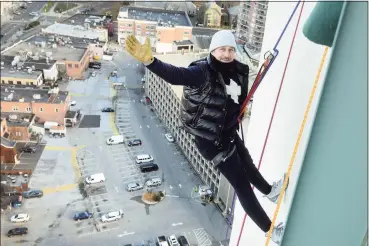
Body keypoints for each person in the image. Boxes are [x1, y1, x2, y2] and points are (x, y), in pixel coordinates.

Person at [125, 30, 288, 244]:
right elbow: (176, 74)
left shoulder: (235, 71)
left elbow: (233, 99)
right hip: (210, 141)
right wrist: (151, 61)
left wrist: (237, 111)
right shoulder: (201, 72)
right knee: (241, 184)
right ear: (213, 51)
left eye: (230, 50)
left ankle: (270, 192)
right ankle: (271, 231)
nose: (227, 54)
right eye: (222, 49)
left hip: (227, 130)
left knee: (247, 163)